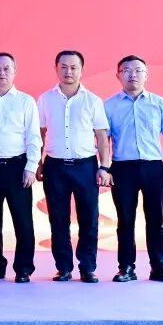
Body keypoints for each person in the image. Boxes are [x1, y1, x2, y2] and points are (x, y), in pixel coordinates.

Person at [104, 55, 163, 284]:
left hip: (153, 168)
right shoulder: (109, 105)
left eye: (138, 70)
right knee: (125, 220)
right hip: (122, 169)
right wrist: (105, 168)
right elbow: (103, 140)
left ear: (146, 75)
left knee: (156, 220)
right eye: (126, 70)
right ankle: (126, 268)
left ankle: (159, 267)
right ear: (118, 75)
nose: (133, 75)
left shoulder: (159, 103)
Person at [36, 50, 112, 283]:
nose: (68, 72)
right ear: (56, 69)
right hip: (55, 167)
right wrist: (38, 163)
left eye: (73, 67)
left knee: (89, 219)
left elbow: (102, 136)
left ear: (81, 70)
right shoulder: (45, 99)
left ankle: (87, 267)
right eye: (63, 67)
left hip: (85, 166)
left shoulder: (93, 101)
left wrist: (104, 166)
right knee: (58, 220)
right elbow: (39, 133)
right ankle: (64, 268)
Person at [0, 52, 42, 283]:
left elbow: (33, 137)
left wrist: (31, 167)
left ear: (14, 72)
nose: (2, 73)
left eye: (6, 69)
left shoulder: (25, 101)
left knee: (22, 220)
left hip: (17, 168)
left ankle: (24, 268)